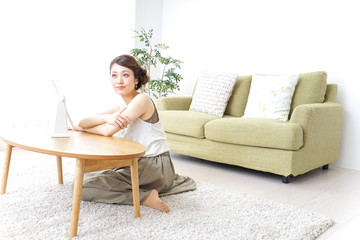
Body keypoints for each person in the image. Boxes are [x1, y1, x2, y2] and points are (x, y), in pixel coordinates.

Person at [74, 54, 196, 212]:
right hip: (140, 163)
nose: (119, 80)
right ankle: (144, 192)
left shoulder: (142, 100)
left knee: (82, 188)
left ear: (136, 80)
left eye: (125, 75)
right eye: (114, 75)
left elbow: (107, 131)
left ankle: (144, 197)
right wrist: (105, 117)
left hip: (154, 165)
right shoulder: (122, 105)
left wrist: (86, 128)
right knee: (85, 178)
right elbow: (83, 121)